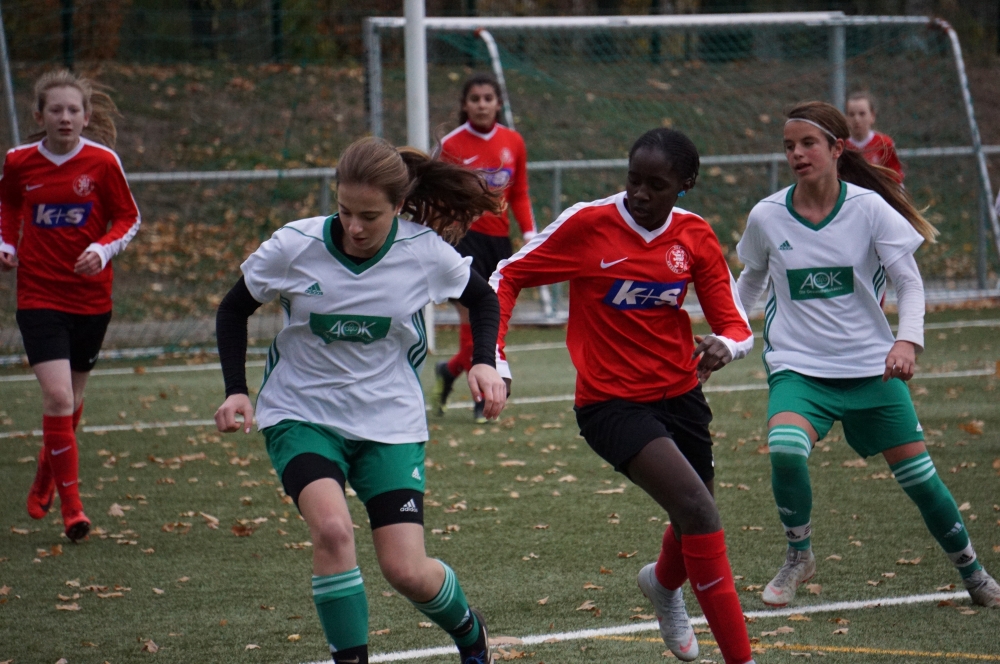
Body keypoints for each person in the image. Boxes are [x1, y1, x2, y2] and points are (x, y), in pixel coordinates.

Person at [213, 136, 508, 664]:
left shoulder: (423, 253)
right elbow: (233, 310)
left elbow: (483, 299)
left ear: (398, 207)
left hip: (389, 419)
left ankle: (469, 630)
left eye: (370, 215)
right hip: (301, 414)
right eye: (345, 210)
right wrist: (237, 390)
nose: (354, 226)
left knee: (406, 571)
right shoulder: (293, 245)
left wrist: (484, 360)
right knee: (331, 530)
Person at [491, 128, 757, 664]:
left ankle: (662, 586)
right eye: (633, 179)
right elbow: (505, 275)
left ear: (686, 185)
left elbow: (737, 324)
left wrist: (726, 346)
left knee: (693, 516)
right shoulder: (589, 224)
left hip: (681, 396)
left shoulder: (695, 237)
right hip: (610, 404)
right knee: (700, 512)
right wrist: (493, 357)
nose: (638, 193)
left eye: (655, 185)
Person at [735, 100, 1000, 609]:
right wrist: (727, 337)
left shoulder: (870, 209)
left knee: (923, 483)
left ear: (837, 149)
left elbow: (910, 283)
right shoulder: (767, 215)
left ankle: (972, 569)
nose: (797, 153)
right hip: (799, 369)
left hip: (870, 370)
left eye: (808, 143)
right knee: (786, 448)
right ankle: (799, 556)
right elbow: (750, 282)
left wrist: (907, 340)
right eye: (789, 145)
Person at [0, 70, 141, 542]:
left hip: (91, 299)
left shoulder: (102, 163)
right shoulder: (19, 162)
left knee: (73, 401)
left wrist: (101, 250)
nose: (65, 117)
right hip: (39, 295)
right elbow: (8, 207)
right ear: (39, 116)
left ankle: (46, 473)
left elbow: (129, 217)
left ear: (87, 116)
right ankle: (73, 511)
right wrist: (5, 243)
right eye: (55, 110)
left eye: (73, 110)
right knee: (58, 397)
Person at [432, 73, 537, 424]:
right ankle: (482, 395)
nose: (481, 104)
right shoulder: (450, 144)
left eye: (487, 98)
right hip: (463, 240)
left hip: (499, 243)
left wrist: (531, 233)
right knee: (472, 319)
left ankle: (449, 371)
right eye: (474, 98)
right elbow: (437, 196)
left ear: (497, 103)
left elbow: (519, 192)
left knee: (493, 323)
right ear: (465, 104)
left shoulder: (513, 142)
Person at [845, 91, 904, 183]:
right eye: (852, 114)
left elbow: (895, 177)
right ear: (846, 118)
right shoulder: (842, 146)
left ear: (872, 116)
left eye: (862, 114)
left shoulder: (883, 143)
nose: (856, 119)